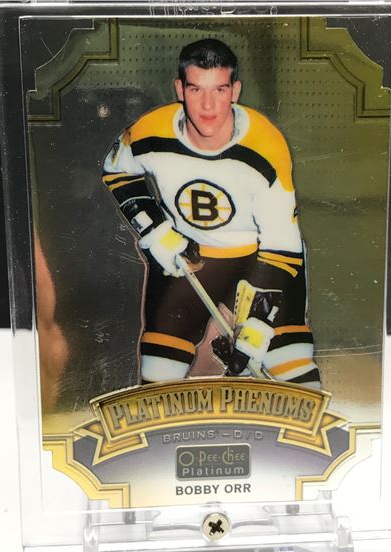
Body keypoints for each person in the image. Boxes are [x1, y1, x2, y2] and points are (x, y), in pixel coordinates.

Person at [102, 38, 321, 388]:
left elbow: (282, 244)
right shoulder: (148, 132)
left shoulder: (265, 147)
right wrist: (155, 230)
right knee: (157, 378)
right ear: (180, 89)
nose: (208, 105)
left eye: (219, 89)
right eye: (196, 89)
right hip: (189, 255)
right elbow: (117, 172)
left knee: (291, 369)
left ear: (235, 91)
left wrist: (257, 326)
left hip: (259, 258)